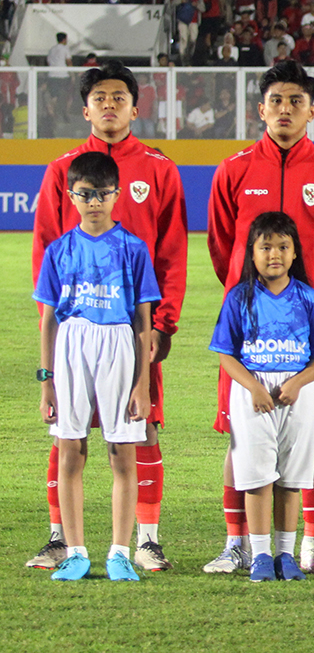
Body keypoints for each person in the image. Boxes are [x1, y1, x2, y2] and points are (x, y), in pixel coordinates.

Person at [29, 61, 187, 573]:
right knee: (68, 434)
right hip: (75, 330)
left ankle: (146, 539)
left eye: (120, 96)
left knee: (142, 427)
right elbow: (46, 252)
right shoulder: (61, 170)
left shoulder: (160, 168)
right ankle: (60, 539)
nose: (110, 104)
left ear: (135, 107)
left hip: (133, 330)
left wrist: (163, 323)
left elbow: (172, 253)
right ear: (86, 108)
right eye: (100, 97)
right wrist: (49, 337)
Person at [205, 61, 314, 576]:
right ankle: (239, 545)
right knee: (239, 435)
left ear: (311, 111)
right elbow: (222, 245)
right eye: (276, 100)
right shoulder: (233, 170)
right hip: (250, 332)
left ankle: (310, 547)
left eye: (296, 101)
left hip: (309, 332)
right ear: (261, 108)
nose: (285, 109)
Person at [35, 152, 160, 581]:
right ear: (70, 196)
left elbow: (143, 319)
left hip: (118, 343)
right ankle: (76, 551)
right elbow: (49, 319)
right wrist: (46, 382)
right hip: (72, 344)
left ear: (117, 195)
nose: (94, 202)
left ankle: (120, 552)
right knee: (71, 449)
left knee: (121, 450)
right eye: (85, 194)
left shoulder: (133, 248)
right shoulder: (59, 250)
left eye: (102, 194)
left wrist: (143, 384)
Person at [210, 212, 314, 583]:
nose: (274, 254)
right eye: (265, 247)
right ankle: (261, 554)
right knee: (257, 475)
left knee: (291, 477)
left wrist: (299, 383)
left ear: (295, 253)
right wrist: (252, 387)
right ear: (252, 253)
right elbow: (225, 353)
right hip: (254, 392)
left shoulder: (309, 299)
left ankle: (286, 553)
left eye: (283, 246)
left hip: (296, 391)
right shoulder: (239, 297)